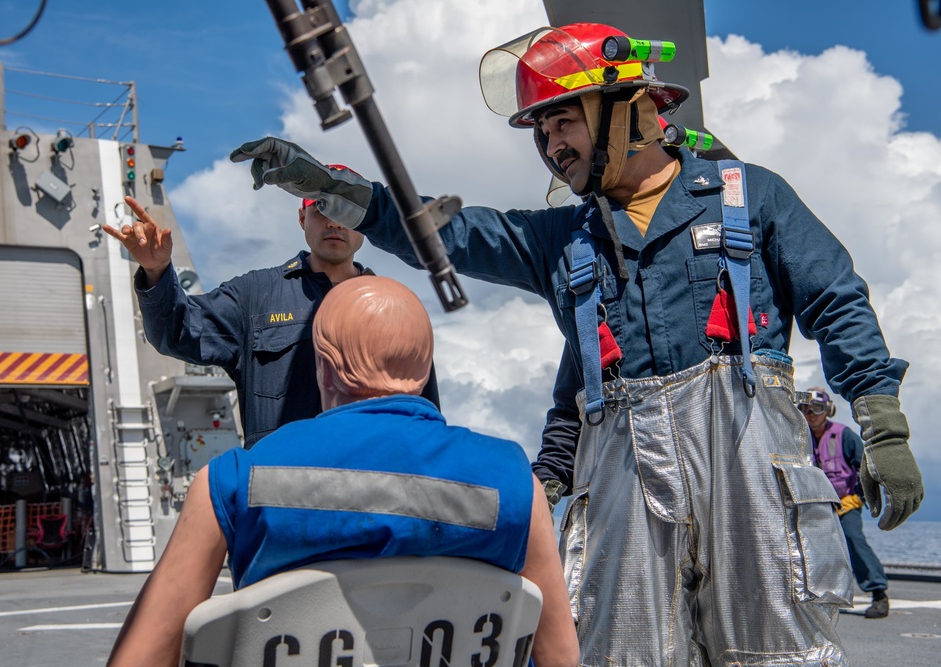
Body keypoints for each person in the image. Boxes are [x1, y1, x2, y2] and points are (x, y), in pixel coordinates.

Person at [229, 22, 924, 666]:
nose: (552, 144)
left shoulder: (750, 198)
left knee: (778, 653)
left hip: (751, 482)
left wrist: (881, 421)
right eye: (542, 130)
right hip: (625, 487)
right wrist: (331, 188)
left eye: (565, 120)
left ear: (631, 109)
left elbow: (836, 298)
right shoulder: (566, 242)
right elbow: (446, 235)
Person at [107, 275, 578, 667]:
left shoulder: (232, 480)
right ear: (423, 370)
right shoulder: (516, 483)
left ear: (326, 369)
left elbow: (141, 657)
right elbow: (560, 657)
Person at [101, 168, 440, 449]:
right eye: (323, 207)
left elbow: (427, 419)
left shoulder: (396, 309)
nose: (335, 222)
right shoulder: (255, 295)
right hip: (278, 500)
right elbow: (176, 332)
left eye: (348, 212)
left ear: (365, 224)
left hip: (373, 500)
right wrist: (156, 272)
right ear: (302, 216)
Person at [801, 387, 890, 619]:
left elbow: (865, 468)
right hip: (813, 507)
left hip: (845, 503)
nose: (811, 414)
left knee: (853, 539)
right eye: (806, 409)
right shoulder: (798, 439)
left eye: (817, 409)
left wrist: (858, 497)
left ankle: (878, 592)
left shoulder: (844, 435)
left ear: (827, 410)